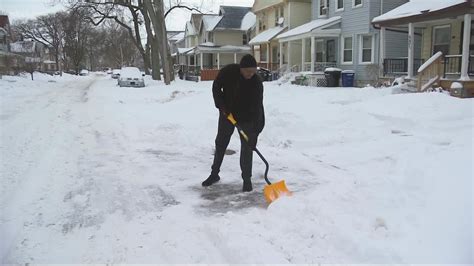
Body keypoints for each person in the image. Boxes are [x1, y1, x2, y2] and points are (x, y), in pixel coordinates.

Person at [202, 54, 265, 192]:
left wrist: (255, 132)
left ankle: (247, 179)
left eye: (253, 72)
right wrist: (221, 106)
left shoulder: (256, 82)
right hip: (228, 113)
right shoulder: (229, 72)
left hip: (246, 117)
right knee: (221, 143)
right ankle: (214, 174)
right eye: (248, 71)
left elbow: (258, 108)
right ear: (241, 69)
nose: (251, 74)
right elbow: (216, 86)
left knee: (247, 148)